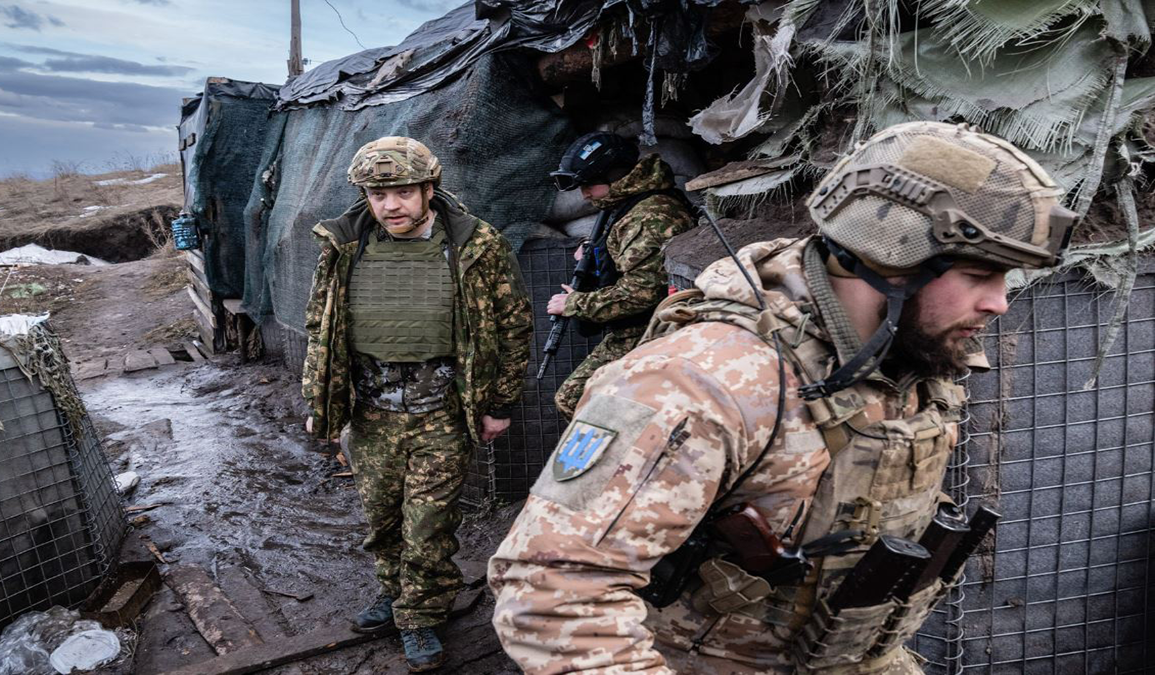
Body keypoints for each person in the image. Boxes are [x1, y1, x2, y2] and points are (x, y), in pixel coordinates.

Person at [489, 122, 1075, 674]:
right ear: (890, 258)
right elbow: (551, 593)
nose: (999, 303)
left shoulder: (905, 352)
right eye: (978, 275)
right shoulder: (699, 381)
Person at [302, 136, 532, 672]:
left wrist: (498, 403)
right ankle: (395, 591)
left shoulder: (476, 243)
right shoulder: (343, 246)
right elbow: (321, 326)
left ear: (430, 188)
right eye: (377, 194)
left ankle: (421, 615)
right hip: (371, 412)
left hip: (442, 412)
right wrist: (322, 400)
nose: (390, 206)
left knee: (427, 522)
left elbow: (513, 326)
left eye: (403, 191)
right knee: (382, 520)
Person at [546, 131, 695, 420]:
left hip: (652, 330)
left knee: (576, 399)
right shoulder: (627, 206)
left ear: (613, 177)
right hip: (638, 327)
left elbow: (641, 293)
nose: (584, 194)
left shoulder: (648, 216)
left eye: (589, 184)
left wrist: (576, 304)